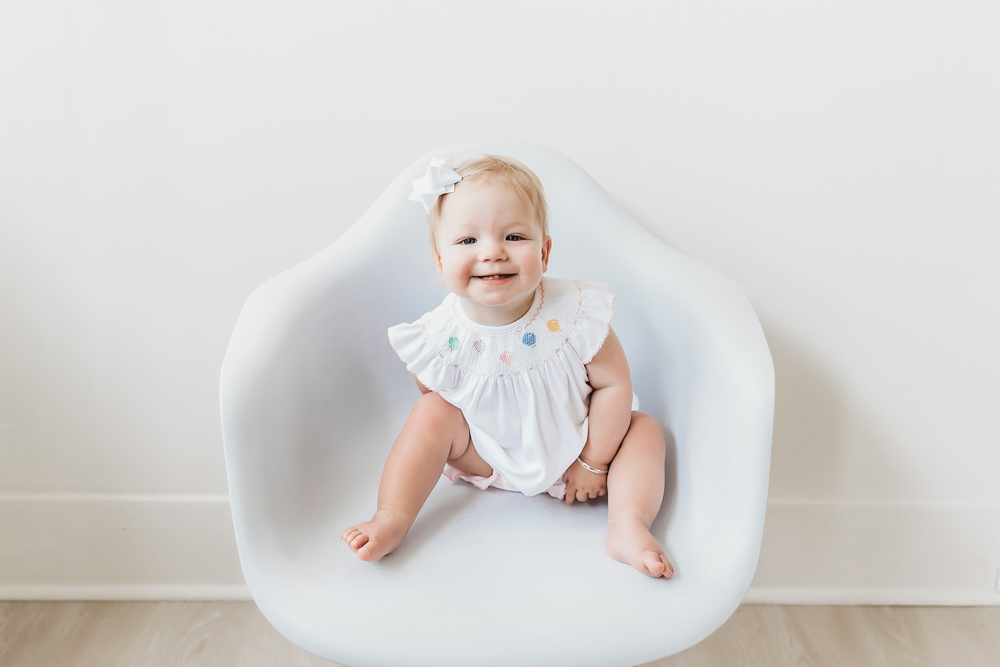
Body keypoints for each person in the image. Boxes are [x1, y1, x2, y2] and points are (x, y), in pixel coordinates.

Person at [341, 155, 673, 578]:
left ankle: (627, 525)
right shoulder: (440, 334)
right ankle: (391, 515)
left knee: (644, 429)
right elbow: (436, 390)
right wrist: (458, 431)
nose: (492, 252)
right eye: (467, 242)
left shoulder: (574, 315)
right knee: (430, 413)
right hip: (488, 455)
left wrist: (593, 462)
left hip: (581, 452)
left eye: (514, 236)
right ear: (441, 262)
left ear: (545, 251)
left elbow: (614, 386)